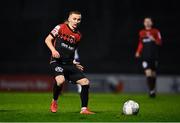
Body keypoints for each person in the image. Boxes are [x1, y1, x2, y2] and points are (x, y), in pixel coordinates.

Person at [45, 11, 95, 114]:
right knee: (60, 81)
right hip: (57, 62)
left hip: (68, 63)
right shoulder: (60, 27)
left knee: (85, 82)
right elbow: (47, 39)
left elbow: (71, 51)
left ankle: (84, 109)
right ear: (69, 19)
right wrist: (53, 51)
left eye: (79, 19)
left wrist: (73, 62)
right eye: (74, 19)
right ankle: (54, 101)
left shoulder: (78, 36)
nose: (76, 21)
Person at [135, 17, 162, 98]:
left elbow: (160, 42)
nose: (147, 22)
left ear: (151, 23)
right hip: (145, 56)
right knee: (148, 73)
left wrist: (154, 39)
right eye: (145, 21)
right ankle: (151, 91)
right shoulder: (142, 32)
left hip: (154, 56)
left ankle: (152, 90)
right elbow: (140, 43)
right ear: (144, 23)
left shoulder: (156, 31)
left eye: (148, 21)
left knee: (153, 74)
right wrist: (138, 51)